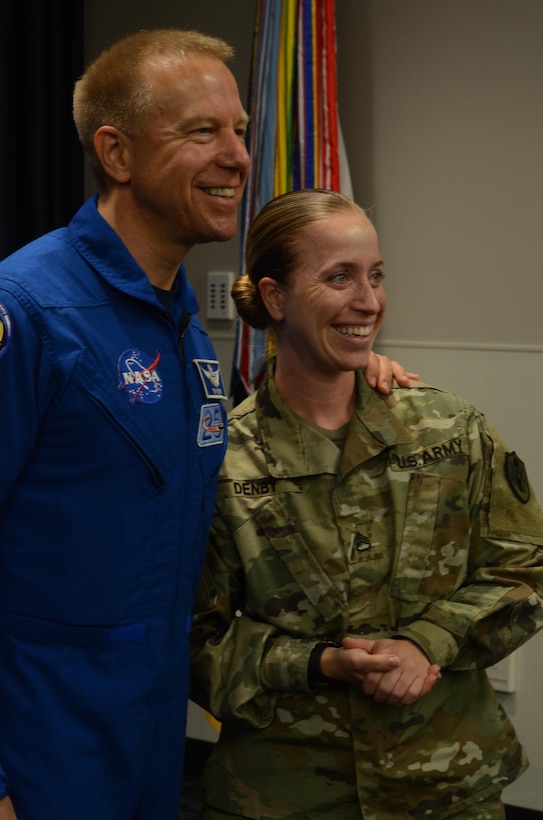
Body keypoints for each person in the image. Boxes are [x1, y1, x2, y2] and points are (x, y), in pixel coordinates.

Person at [0, 30, 412, 820]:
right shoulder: (30, 311)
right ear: (115, 153)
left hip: (152, 737)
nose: (237, 156)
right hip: (41, 744)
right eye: (202, 131)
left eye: (240, 131)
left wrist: (354, 374)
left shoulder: (182, 324)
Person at [190, 188, 543, 820]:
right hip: (286, 793)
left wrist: (427, 642)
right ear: (275, 297)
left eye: (376, 276)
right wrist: (319, 663)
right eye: (339, 278)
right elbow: (191, 639)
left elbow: (525, 567)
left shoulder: (448, 430)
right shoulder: (222, 459)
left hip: (447, 785)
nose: (369, 301)